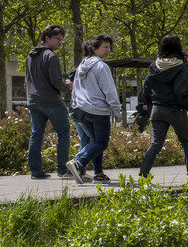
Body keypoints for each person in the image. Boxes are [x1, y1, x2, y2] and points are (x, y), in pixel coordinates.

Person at [137, 34, 188, 184]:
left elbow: (146, 88)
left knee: (155, 144)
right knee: (186, 142)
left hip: (157, 110)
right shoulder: (181, 67)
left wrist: (146, 104)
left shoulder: (153, 66)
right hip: (176, 110)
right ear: (178, 47)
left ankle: (143, 174)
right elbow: (181, 92)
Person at [68, 33, 122, 185]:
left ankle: (98, 173)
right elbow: (109, 90)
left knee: (95, 142)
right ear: (94, 48)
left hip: (82, 110)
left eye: (109, 47)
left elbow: (76, 89)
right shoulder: (101, 66)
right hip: (98, 111)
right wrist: (117, 110)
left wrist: (76, 109)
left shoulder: (81, 66)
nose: (108, 50)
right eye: (105, 47)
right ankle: (78, 162)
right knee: (102, 143)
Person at [25, 24, 72, 180]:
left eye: (62, 40)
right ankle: (62, 170)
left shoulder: (30, 57)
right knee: (63, 133)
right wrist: (67, 87)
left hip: (33, 102)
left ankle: (36, 172)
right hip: (51, 101)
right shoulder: (51, 56)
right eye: (57, 39)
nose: (60, 42)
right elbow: (56, 81)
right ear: (46, 38)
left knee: (36, 135)